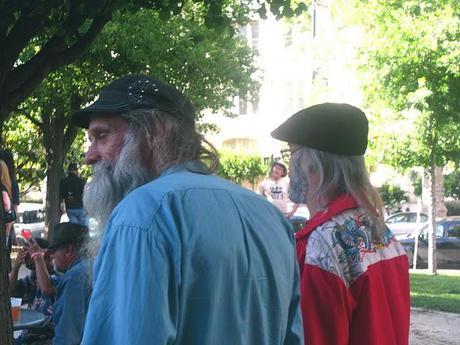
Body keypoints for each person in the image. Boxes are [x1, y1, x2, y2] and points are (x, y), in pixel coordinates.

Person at [72, 74, 303, 344]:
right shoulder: (269, 215)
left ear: (154, 131)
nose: (89, 155)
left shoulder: (143, 214)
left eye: (102, 135)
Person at [271, 103, 410, 345]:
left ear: (312, 163)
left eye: (290, 154)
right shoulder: (380, 230)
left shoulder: (322, 244)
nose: (289, 168)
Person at [32, 223, 92, 345]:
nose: (52, 255)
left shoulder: (74, 278)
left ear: (68, 251)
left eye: (54, 251)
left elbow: (67, 337)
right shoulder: (93, 267)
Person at [9, 238, 57, 345]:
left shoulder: (57, 277)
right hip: (27, 336)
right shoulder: (33, 277)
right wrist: (16, 267)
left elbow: (47, 288)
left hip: (46, 338)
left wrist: (36, 256)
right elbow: (9, 291)